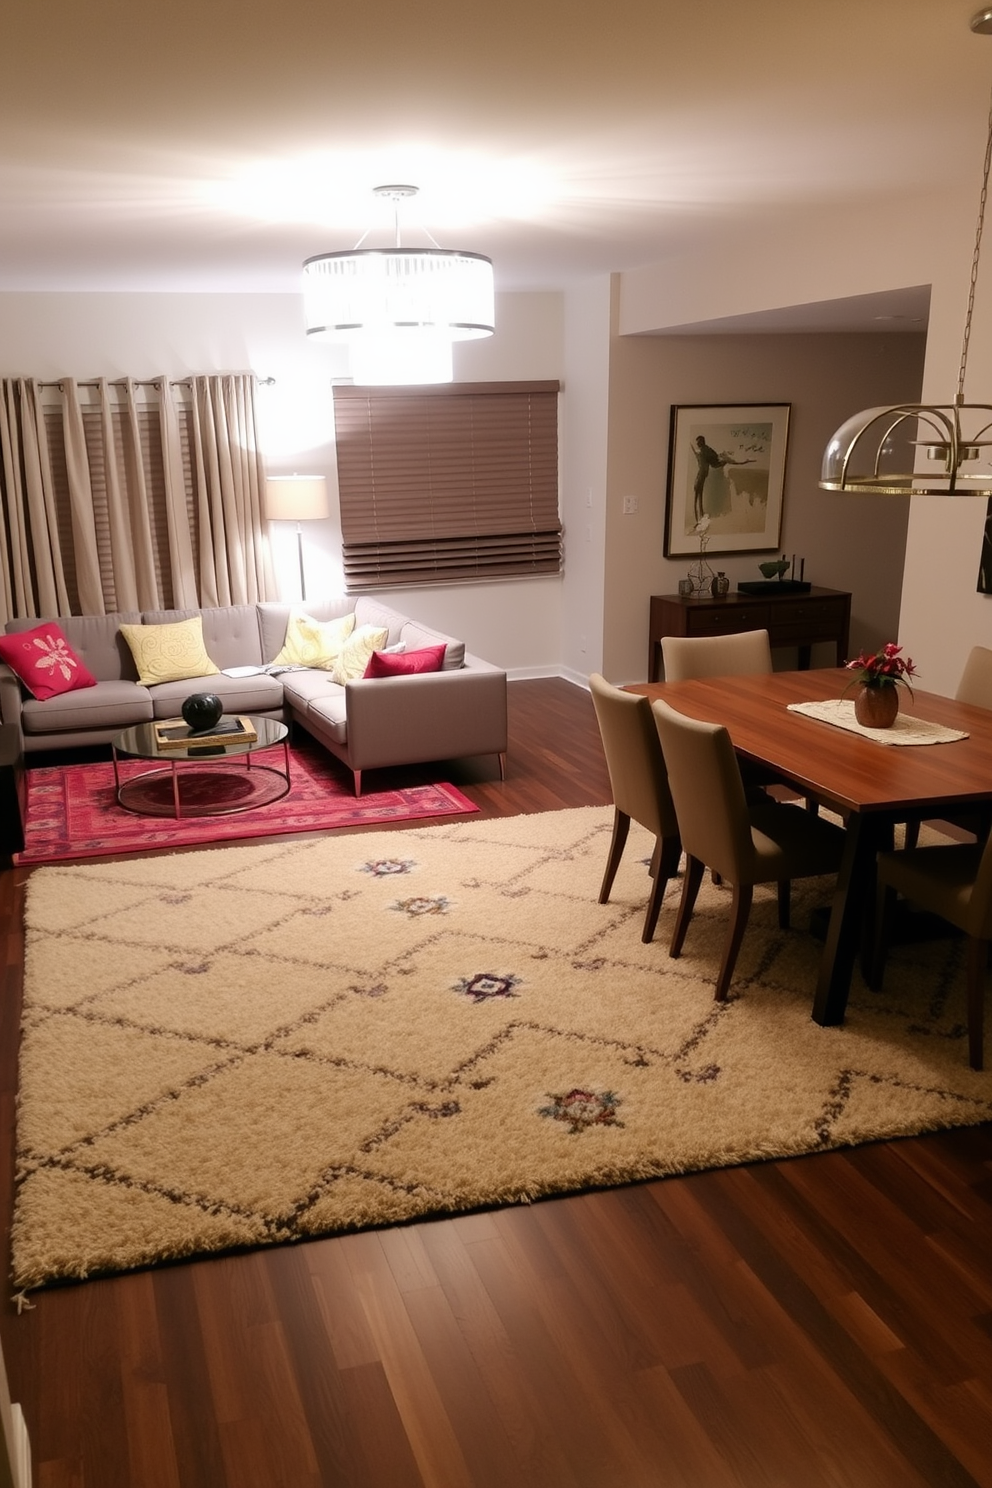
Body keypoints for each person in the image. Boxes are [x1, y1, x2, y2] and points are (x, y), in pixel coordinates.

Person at [691, 435, 753, 522]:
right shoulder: (705, 451)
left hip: (702, 475)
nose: (697, 444)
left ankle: (699, 519)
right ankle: (699, 519)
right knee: (698, 495)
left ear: (702, 442)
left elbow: (714, 461)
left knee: (697, 496)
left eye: (698, 442)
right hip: (702, 475)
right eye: (697, 443)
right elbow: (714, 461)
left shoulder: (705, 451)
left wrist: (728, 461)